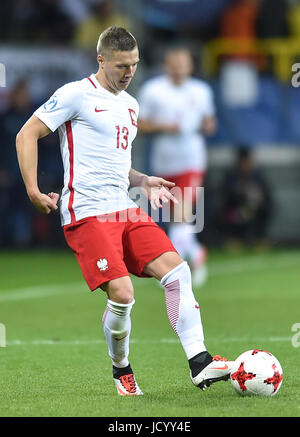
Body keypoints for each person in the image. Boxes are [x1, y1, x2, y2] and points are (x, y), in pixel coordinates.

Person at [16, 26, 232, 396]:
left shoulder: (130, 105)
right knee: (123, 294)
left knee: (177, 270)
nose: (129, 72)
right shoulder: (75, 94)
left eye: (134, 64)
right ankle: (122, 370)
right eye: (121, 66)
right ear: (101, 60)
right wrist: (33, 190)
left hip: (123, 207)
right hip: (86, 211)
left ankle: (200, 362)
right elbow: (27, 134)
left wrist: (143, 180)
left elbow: (116, 164)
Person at [138, 47, 217, 286]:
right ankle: (196, 253)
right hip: (164, 159)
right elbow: (139, 124)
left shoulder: (201, 91)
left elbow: (209, 121)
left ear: (190, 66)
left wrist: (208, 125)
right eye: (175, 64)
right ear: (167, 66)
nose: (180, 69)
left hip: (191, 158)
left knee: (181, 215)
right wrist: (163, 127)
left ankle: (177, 270)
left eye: (184, 64)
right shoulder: (153, 90)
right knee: (175, 219)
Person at [218, 147, 272, 249]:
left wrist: (255, 197)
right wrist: (242, 193)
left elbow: (265, 193)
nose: (247, 164)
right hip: (235, 209)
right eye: (245, 161)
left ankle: (258, 239)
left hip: (254, 208)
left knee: (263, 209)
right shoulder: (232, 175)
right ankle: (234, 239)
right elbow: (227, 194)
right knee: (239, 214)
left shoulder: (257, 175)